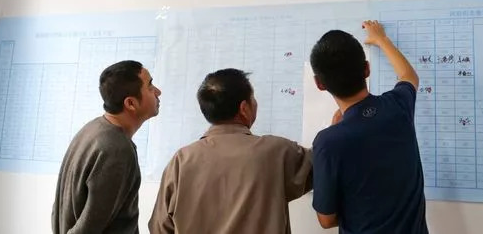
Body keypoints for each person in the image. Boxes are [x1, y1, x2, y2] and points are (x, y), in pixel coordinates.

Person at [149, 68, 313, 234]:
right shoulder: (276, 151)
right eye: (253, 98)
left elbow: (159, 227)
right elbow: (322, 163)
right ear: (244, 108)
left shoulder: (181, 160)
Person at [310, 20, 429, 233]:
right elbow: (409, 76)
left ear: (319, 83)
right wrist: (381, 39)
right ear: (367, 69)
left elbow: (326, 220)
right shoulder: (397, 106)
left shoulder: (328, 142)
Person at [52, 60, 161, 234]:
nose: (158, 92)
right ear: (130, 103)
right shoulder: (117, 150)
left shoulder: (92, 129)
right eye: (150, 86)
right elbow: (87, 229)